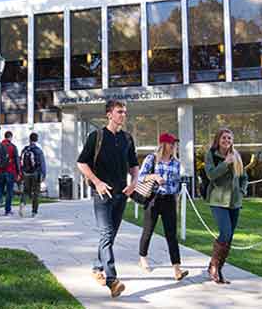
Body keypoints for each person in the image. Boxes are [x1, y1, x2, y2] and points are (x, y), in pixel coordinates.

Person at [77, 99, 139, 298]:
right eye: (119, 111)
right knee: (106, 234)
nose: (123, 115)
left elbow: (134, 164)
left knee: (110, 236)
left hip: (121, 194)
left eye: (125, 112)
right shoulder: (96, 137)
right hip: (102, 194)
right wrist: (97, 182)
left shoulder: (127, 138)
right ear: (109, 114)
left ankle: (97, 267)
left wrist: (134, 181)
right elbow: (81, 163)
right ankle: (112, 280)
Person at [136, 133, 189, 281]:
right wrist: (154, 177)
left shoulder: (176, 163)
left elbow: (177, 185)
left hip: (169, 201)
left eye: (175, 144)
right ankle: (142, 258)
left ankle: (177, 269)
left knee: (171, 235)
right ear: (163, 144)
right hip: (153, 199)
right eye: (171, 144)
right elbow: (140, 177)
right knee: (148, 231)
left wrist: (176, 201)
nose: (173, 146)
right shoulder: (151, 159)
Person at [205, 128, 248, 284]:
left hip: (235, 201)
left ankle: (218, 269)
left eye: (229, 138)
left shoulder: (236, 155)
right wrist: (225, 163)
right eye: (224, 138)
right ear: (218, 139)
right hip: (218, 200)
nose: (227, 140)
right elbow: (211, 175)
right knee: (225, 232)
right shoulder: (211, 154)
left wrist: (242, 191)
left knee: (229, 237)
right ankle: (214, 267)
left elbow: (244, 177)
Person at [0, 130, 21, 216]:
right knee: (9, 192)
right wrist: (19, 173)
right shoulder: (13, 147)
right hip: (10, 171)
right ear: (10, 137)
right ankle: (7, 210)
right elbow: (17, 161)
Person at [20, 132, 46, 218]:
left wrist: (22, 173)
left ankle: (22, 204)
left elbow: (21, 161)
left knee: (26, 191)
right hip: (36, 173)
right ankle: (34, 212)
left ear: (29, 139)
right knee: (36, 193)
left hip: (26, 173)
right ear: (37, 139)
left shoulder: (25, 149)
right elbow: (42, 164)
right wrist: (43, 175)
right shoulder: (38, 150)